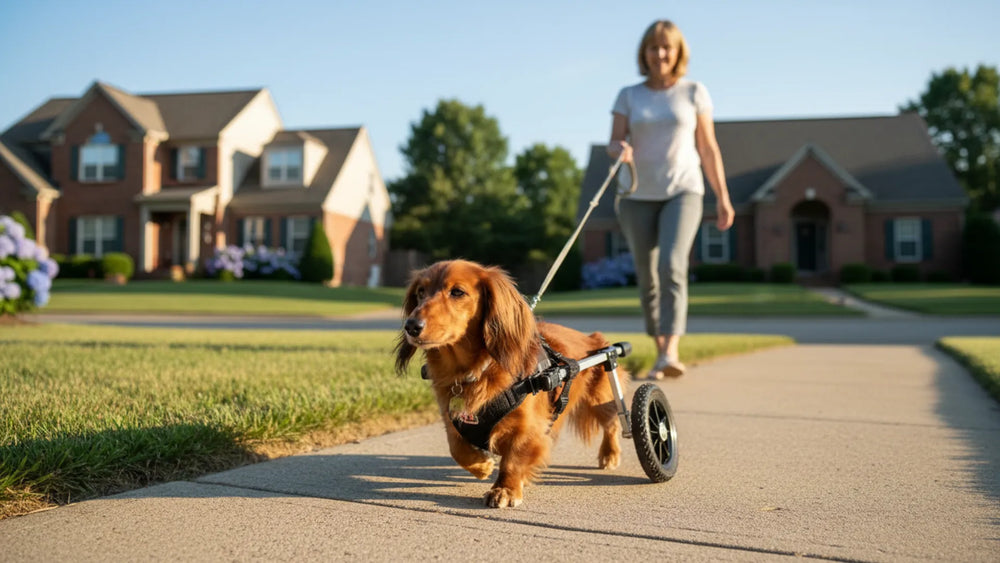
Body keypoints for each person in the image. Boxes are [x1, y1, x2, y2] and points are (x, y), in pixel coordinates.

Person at [607, 19, 734, 379]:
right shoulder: (628, 95)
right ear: (644, 53)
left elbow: (708, 148)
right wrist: (620, 148)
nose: (660, 53)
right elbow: (612, 142)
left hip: (684, 190)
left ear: (678, 52)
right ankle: (661, 353)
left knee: (672, 265)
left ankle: (672, 350)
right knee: (647, 277)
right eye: (653, 47)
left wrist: (723, 197)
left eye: (667, 47)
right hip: (635, 195)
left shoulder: (695, 92)